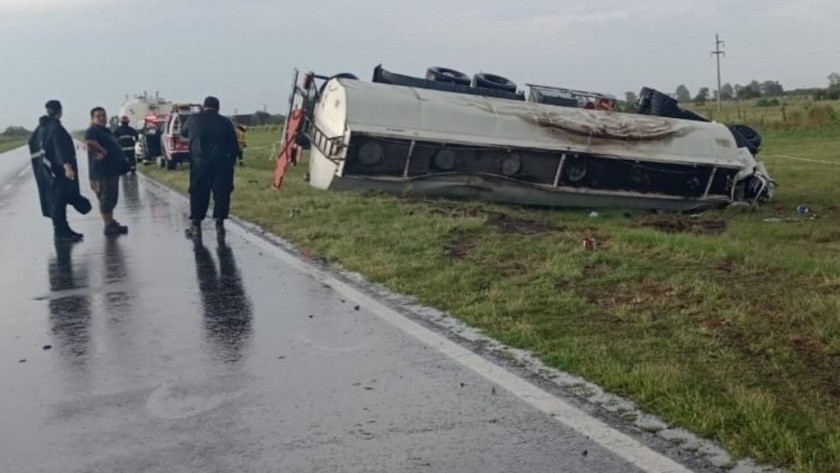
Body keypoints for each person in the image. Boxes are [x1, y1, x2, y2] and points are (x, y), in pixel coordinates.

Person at [28, 100, 92, 242]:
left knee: (58, 201)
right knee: (59, 201)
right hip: (57, 171)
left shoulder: (41, 128)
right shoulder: (55, 128)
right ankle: (61, 232)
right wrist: (67, 167)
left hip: (46, 171)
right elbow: (59, 148)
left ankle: (63, 229)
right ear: (60, 111)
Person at [181, 96, 239, 239]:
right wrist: (231, 160)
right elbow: (234, 144)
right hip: (222, 163)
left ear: (203, 106)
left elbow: (183, 132)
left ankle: (196, 226)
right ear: (218, 108)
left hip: (200, 163)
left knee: (198, 192)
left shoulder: (194, 119)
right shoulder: (226, 122)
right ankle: (220, 224)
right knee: (222, 193)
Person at [84, 107, 129, 236]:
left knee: (111, 198)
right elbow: (89, 142)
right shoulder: (92, 130)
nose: (102, 118)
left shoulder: (105, 130)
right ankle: (108, 225)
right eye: (99, 116)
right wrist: (103, 152)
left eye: (104, 115)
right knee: (106, 198)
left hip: (111, 171)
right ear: (92, 118)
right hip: (101, 172)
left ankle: (111, 221)